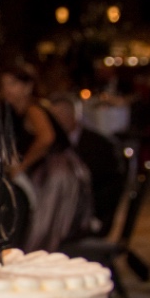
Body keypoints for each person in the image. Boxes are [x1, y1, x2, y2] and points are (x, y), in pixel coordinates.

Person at [0, 64, 90, 252]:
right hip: (53, 171)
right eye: (4, 84)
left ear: (27, 86)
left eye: (13, 84)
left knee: (46, 224)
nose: (7, 89)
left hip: (58, 173)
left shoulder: (33, 109)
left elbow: (46, 138)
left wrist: (21, 167)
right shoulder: (17, 112)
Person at [48, 96, 124, 236]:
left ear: (74, 115)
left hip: (89, 217)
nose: (56, 121)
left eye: (61, 115)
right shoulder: (51, 145)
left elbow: (112, 186)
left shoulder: (101, 145)